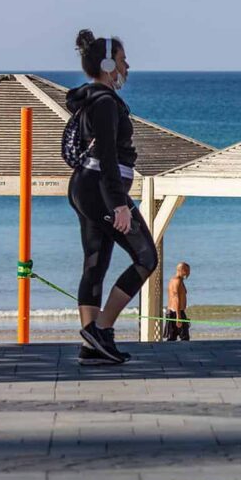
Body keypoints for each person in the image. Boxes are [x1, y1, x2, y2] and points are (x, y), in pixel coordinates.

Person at [68, 30, 158, 365]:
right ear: (108, 64)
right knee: (146, 256)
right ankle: (101, 330)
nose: (127, 66)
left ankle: (92, 347)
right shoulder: (105, 102)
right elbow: (107, 155)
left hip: (87, 187)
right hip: (102, 189)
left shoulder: (93, 98)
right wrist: (119, 203)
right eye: (122, 60)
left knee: (96, 262)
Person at [163, 262, 191, 342]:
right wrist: (178, 317)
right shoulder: (177, 281)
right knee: (184, 338)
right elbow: (176, 299)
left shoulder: (174, 280)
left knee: (172, 338)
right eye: (186, 270)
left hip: (172, 312)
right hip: (176, 312)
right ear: (180, 270)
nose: (188, 273)